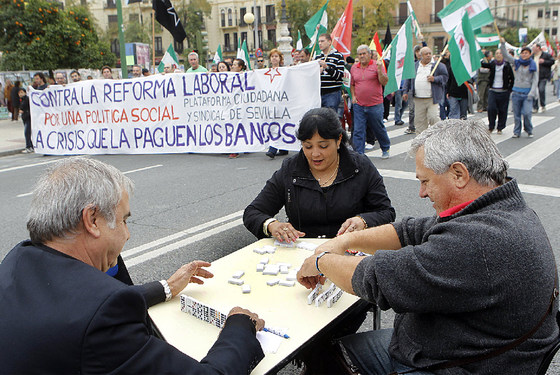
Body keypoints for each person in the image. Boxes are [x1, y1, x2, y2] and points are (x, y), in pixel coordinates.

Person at [297, 119, 558, 374]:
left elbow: (378, 278)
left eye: (425, 181)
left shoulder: (478, 241)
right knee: (333, 350)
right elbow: (411, 230)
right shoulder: (499, 206)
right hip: (455, 345)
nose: (421, 193)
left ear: (459, 174)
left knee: (324, 354)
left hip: (453, 364)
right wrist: (344, 241)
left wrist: (322, 261)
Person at [0, 157, 265, 374]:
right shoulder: (104, 317)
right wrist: (240, 326)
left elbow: (76, 305)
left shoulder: (16, 261)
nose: (127, 235)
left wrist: (166, 287)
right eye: (124, 220)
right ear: (92, 219)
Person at [244, 107, 395, 241]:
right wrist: (271, 225)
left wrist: (363, 220)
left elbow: (385, 212)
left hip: (350, 249)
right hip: (302, 252)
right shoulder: (291, 169)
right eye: (308, 146)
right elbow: (253, 212)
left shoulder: (360, 167)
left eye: (323, 146)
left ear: (338, 140)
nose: (315, 154)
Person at [350, 45, 390, 158]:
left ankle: (385, 148)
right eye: (360, 54)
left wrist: (379, 71)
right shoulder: (354, 68)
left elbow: (384, 82)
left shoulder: (377, 65)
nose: (362, 56)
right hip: (359, 104)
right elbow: (352, 84)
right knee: (358, 130)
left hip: (375, 104)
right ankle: (359, 154)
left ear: (369, 54)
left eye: (364, 53)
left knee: (378, 127)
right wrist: (353, 96)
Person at [402, 47, 448, 134]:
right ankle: (421, 142)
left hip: (432, 99)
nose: (428, 55)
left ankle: (436, 137)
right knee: (419, 122)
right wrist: (405, 91)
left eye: (430, 53)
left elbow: (445, 77)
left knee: (433, 118)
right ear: (421, 55)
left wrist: (435, 79)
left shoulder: (438, 65)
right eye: (426, 54)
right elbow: (408, 79)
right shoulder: (415, 66)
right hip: (418, 99)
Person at [500, 40, 538, 138]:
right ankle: (517, 131)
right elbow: (506, 56)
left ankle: (529, 129)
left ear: (530, 54)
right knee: (516, 115)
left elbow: (535, 80)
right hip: (516, 92)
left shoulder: (533, 65)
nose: (524, 55)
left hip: (527, 94)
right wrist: (503, 44)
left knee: (527, 113)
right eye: (522, 53)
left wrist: (532, 93)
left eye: (526, 53)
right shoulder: (517, 62)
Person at [482, 48, 514, 134]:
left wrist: (509, 89)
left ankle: (500, 127)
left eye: (500, 53)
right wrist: (479, 57)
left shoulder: (507, 65)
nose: (498, 55)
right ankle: (491, 126)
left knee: (502, 110)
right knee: (491, 108)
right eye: (496, 53)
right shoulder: (492, 64)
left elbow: (512, 78)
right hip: (493, 90)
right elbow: (484, 65)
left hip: (503, 91)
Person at [265, 49, 289, 160]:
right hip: (271, 102)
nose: (274, 58)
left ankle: (274, 148)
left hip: (282, 102)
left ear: (280, 59)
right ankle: (279, 147)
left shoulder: (285, 71)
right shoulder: (265, 72)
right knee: (273, 124)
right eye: (272, 56)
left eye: (276, 56)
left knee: (281, 123)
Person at [314, 33, 345, 112]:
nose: (320, 43)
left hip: (332, 93)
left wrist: (327, 67)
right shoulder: (317, 57)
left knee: (330, 118)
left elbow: (339, 76)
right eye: (319, 42)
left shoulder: (338, 56)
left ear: (329, 42)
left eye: (322, 41)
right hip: (319, 94)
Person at [445, 53, 469, 120]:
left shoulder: (466, 67)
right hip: (453, 92)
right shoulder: (452, 67)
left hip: (464, 92)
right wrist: (448, 91)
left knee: (463, 114)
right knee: (453, 112)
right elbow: (449, 80)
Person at [531, 43, 554, 112]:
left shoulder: (545, 55)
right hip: (534, 76)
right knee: (534, 92)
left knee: (541, 90)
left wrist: (544, 61)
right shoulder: (532, 56)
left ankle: (543, 105)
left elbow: (552, 61)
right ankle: (535, 107)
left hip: (543, 76)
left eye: (534, 48)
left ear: (538, 48)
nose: (533, 49)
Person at [18, 88, 33, 153]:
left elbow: (24, 107)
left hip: (28, 117)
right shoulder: (21, 99)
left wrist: (21, 110)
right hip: (25, 117)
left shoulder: (26, 99)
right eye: (19, 93)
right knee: (27, 132)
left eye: (22, 92)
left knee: (27, 132)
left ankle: (28, 146)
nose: (20, 94)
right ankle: (31, 145)